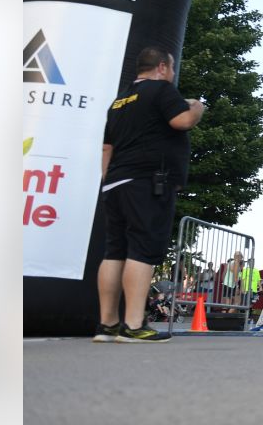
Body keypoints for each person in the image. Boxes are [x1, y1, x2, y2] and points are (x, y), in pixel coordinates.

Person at [96, 46, 205, 343]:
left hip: (116, 181)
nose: (172, 73)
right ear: (161, 67)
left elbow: (107, 148)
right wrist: (196, 106)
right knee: (142, 249)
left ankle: (107, 324)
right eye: (170, 67)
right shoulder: (161, 90)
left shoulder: (119, 102)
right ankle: (133, 324)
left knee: (114, 251)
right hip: (147, 181)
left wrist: (108, 180)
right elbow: (181, 121)